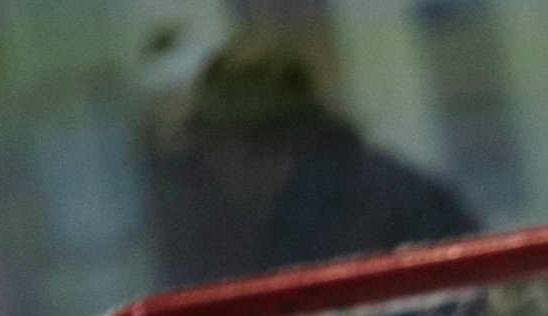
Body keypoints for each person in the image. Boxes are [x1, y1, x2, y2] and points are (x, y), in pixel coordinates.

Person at [146, 34, 477, 290]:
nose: (207, 166)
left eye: (211, 146)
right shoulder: (228, 225)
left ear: (258, 144)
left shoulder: (391, 209)